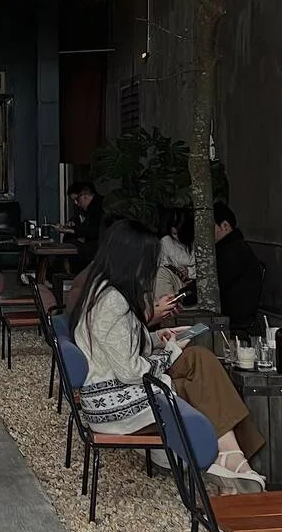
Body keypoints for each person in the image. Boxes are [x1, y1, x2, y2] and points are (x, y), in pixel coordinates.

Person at [70, 218, 265, 493]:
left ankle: (230, 454)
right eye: (149, 259)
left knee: (199, 359)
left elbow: (116, 345)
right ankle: (234, 457)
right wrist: (170, 352)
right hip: (115, 402)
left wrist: (156, 338)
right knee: (198, 381)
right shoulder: (112, 301)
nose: (151, 267)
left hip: (113, 391)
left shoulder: (103, 290)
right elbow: (130, 370)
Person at [214, 203, 263, 338]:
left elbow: (218, 281)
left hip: (236, 323)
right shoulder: (233, 247)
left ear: (225, 226)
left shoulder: (233, 251)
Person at [61, 181, 104, 267]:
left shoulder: (99, 207)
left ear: (85, 195)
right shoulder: (90, 208)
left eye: (77, 199)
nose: (76, 203)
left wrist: (72, 230)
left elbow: (94, 230)